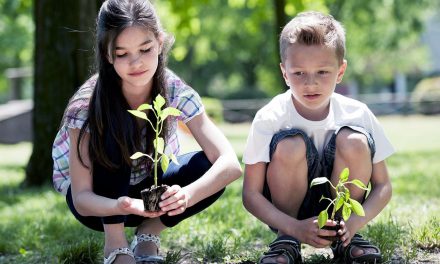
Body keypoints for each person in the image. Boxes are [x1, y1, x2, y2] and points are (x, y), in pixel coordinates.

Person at [51, 0, 242, 263]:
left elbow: (230, 163)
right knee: (117, 130)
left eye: (145, 48)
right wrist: (119, 205)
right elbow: (82, 197)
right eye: (122, 54)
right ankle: (115, 245)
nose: (136, 62)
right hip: (100, 204)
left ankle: (148, 235)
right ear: (107, 55)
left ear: (160, 42)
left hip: (152, 198)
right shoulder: (86, 105)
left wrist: (187, 195)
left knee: (208, 166)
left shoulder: (174, 89)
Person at [242, 11, 394, 264]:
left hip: (344, 213)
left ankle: (346, 239)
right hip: (289, 215)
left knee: (354, 141)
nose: (310, 84)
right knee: (290, 145)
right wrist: (293, 227)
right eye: (299, 73)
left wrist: (355, 222)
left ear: (340, 70)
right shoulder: (270, 116)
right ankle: (286, 241)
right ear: (284, 72)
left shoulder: (358, 113)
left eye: (322, 72)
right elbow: (251, 194)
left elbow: (383, 186)